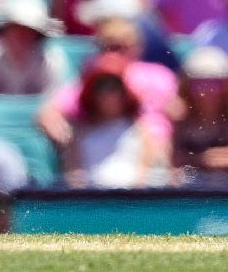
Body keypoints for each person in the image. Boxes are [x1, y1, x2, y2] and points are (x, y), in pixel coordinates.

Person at [63, 52, 167, 189]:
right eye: (101, 87)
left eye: (114, 87)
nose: (108, 94)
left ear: (124, 93)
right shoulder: (79, 131)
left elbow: (146, 172)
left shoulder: (141, 129)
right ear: (93, 94)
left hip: (132, 200)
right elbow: (74, 173)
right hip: (91, 200)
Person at [172, 47, 228, 180]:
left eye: (215, 84)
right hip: (191, 191)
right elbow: (174, 159)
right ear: (187, 86)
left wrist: (204, 159)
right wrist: (205, 159)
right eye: (199, 84)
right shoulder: (182, 116)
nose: (207, 91)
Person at [0, 0, 67, 97]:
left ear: (37, 35)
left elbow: (51, 105)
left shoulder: (52, 62)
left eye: (28, 30)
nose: (21, 35)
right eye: (16, 28)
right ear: (5, 30)